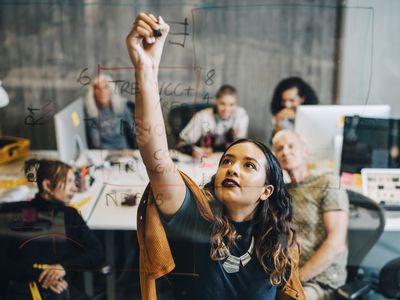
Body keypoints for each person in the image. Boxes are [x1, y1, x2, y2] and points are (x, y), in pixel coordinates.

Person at [127, 13, 304, 300]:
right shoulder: (195, 221)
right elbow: (156, 159)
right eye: (227, 161)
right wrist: (146, 67)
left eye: (248, 165)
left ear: (266, 190)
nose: (232, 169)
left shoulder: (278, 242)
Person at [0, 159, 104, 300]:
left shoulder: (69, 215)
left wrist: (62, 268)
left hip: (58, 288)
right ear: (48, 185)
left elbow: (97, 253)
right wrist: (43, 276)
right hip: (25, 289)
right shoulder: (17, 214)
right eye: (69, 182)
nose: (74, 188)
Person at [272, 130, 349, 300]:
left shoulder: (327, 183)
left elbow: (336, 244)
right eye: (279, 149)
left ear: (305, 152)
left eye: (291, 146)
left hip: (319, 278)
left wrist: (296, 280)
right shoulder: (280, 192)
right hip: (283, 276)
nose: (285, 152)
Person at [176, 84, 249, 158]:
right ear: (216, 102)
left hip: (226, 159)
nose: (227, 109)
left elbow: (240, 145)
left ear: (236, 104)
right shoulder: (202, 116)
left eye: (231, 104)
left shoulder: (241, 115)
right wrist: (193, 152)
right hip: (202, 160)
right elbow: (181, 143)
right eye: (222, 104)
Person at [84, 74, 137, 149]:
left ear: (111, 90)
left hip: (125, 153)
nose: (102, 92)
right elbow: (95, 143)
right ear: (93, 93)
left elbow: (133, 135)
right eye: (98, 88)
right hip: (103, 155)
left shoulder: (122, 108)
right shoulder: (91, 113)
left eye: (105, 87)